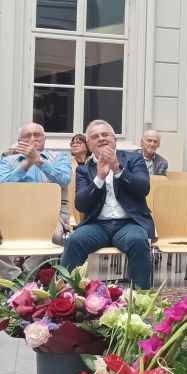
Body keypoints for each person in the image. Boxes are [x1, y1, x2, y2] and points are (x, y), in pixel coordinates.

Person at [61, 120, 154, 288]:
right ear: (89, 145)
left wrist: (118, 170)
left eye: (105, 135)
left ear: (114, 140)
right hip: (97, 225)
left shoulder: (133, 159)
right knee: (74, 241)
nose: (101, 138)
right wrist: (99, 178)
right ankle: (66, 295)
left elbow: (143, 188)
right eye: (95, 137)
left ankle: (140, 296)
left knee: (137, 241)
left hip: (129, 223)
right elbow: (81, 205)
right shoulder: (84, 169)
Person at [0, 122, 72, 278]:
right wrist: (26, 164)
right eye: (27, 136)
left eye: (37, 135)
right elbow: (2, 186)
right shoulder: (8, 161)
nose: (33, 138)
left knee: (55, 236)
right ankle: (14, 276)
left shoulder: (59, 157)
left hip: (50, 216)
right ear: (20, 141)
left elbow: (64, 180)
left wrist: (39, 161)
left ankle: (28, 272)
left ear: (44, 139)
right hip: (12, 215)